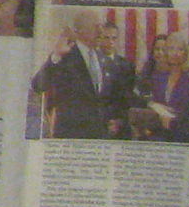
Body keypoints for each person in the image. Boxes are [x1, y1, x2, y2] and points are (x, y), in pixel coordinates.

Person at [34, 10, 136, 139]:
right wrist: (56, 56)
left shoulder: (102, 58)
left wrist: (116, 121)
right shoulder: (65, 56)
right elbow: (38, 85)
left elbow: (105, 100)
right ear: (80, 31)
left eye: (101, 26)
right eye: (95, 26)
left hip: (100, 138)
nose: (100, 31)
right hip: (72, 138)